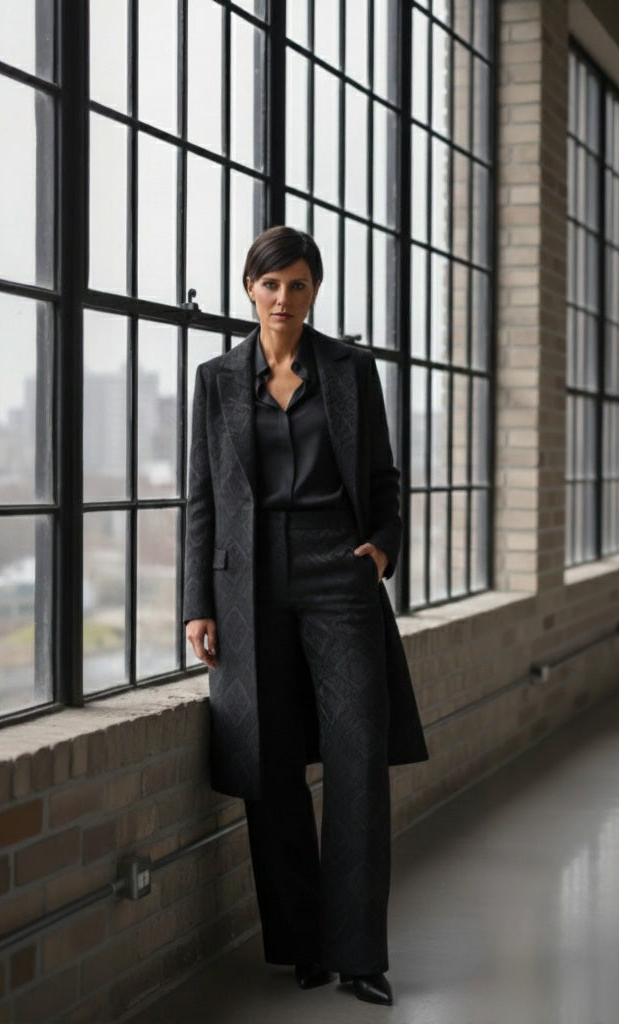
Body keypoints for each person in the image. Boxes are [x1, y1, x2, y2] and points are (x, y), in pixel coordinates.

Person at [183, 226, 428, 1007]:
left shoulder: (351, 371)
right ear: (248, 289)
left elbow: (383, 476)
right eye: (270, 284)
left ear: (314, 289)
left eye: (296, 284)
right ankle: (300, 946)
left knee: (357, 758)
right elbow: (200, 498)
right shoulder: (215, 380)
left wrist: (381, 550)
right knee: (270, 761)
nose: (282, 297)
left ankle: (359, 955)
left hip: (338, 570)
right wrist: (196, 604)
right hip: (246, 584)